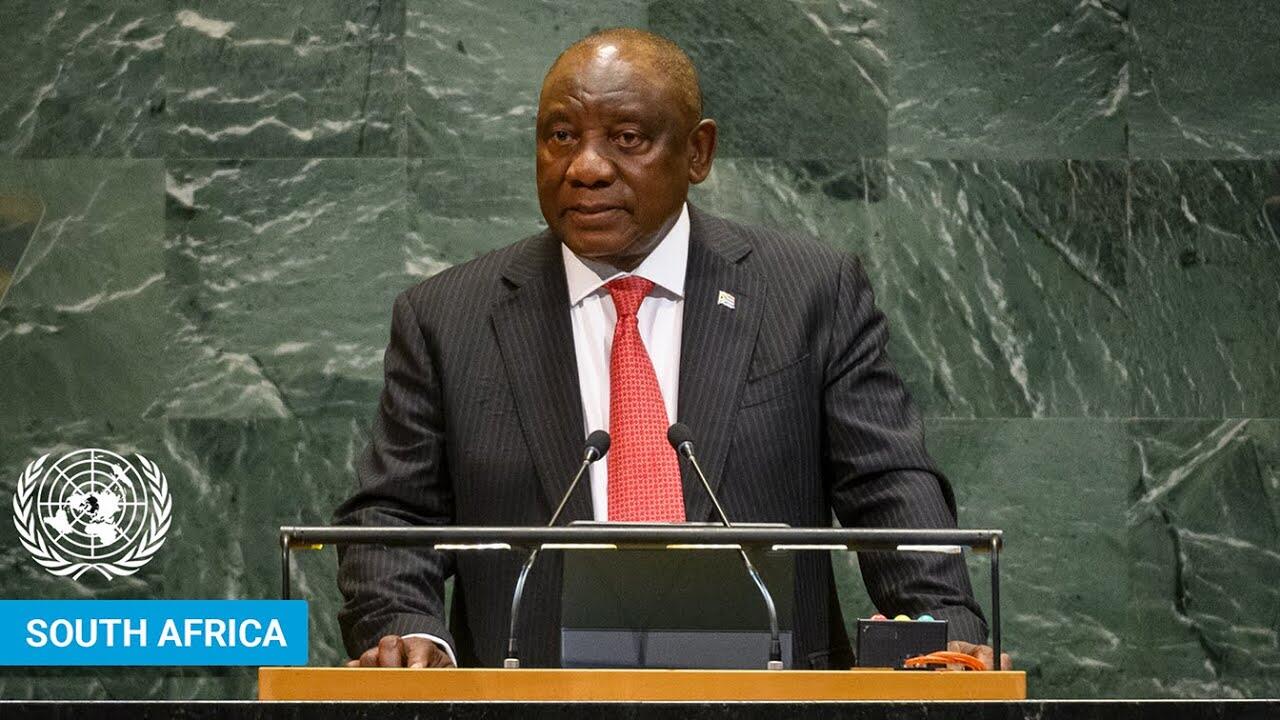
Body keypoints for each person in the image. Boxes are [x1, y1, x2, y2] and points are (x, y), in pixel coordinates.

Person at [336, 27, 1010, 671]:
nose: (586, 167)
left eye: (627, 138)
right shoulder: (448, 317)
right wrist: (409, 630)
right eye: (561, 136)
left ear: (697, 153)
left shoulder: (808, 292)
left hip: (771, 696)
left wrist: (942, 630)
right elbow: (395, 514)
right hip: (528, 695)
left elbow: (888, 484)